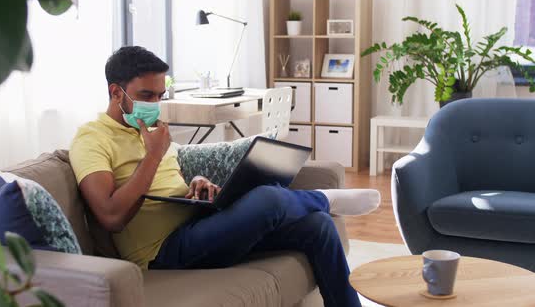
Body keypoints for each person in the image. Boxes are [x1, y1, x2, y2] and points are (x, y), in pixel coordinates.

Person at [69, 46, 380, 307]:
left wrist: (196, 183)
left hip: (197, 224)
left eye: (160, 96)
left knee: (318, 226)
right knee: (268, 198)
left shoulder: (152, 132)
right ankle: (325, 198)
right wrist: (153, 155)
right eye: (146, 95)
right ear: (115, 91)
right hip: (162, 252)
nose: (155, 105)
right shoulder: (91, 139)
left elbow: (166, 182)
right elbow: (111, 217)